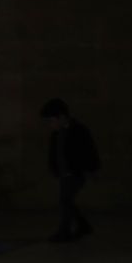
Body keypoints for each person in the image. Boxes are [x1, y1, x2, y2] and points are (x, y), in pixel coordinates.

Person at [39, 98, 99, 242]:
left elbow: (89, 150)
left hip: (76, 173)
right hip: (64, 174)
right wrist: (54, 168)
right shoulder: (56, 134)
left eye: (51, 121)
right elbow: (54, 153)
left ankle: (65, 231)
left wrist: (90, 169)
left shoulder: (79, 130)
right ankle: (83, 225)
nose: (50, 125)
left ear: (62, 117)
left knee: (65, 200)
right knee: (67, 201)